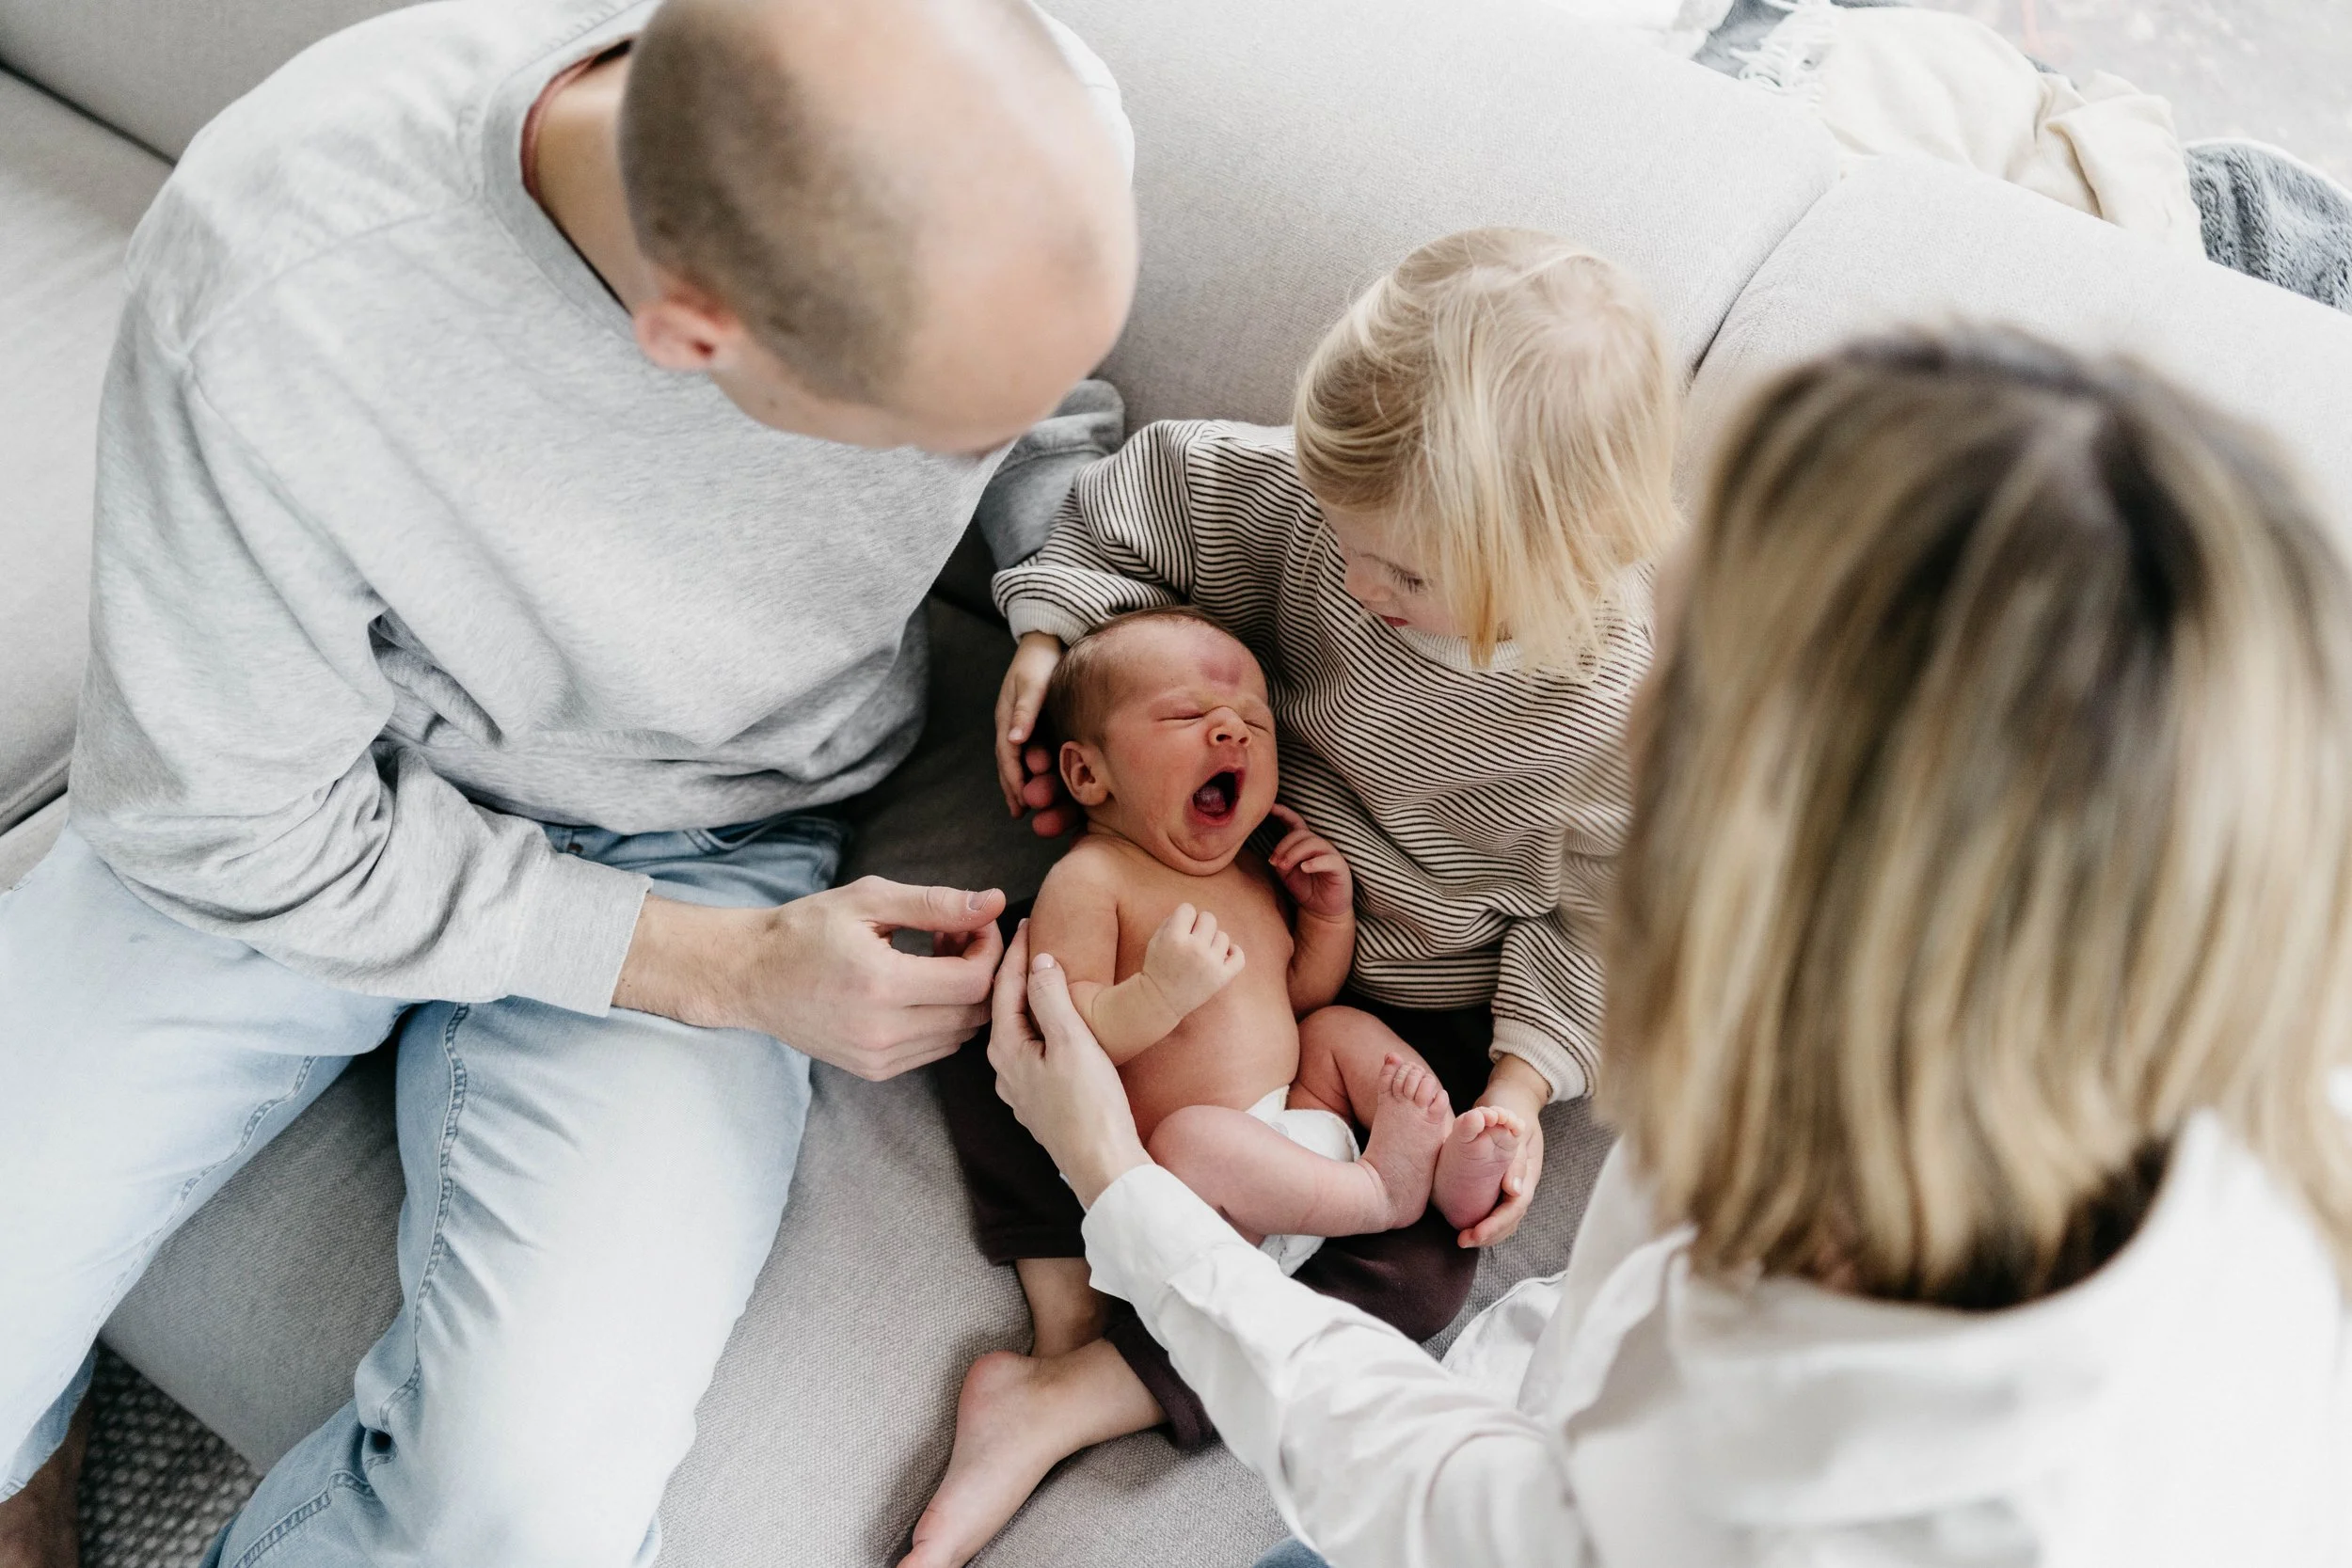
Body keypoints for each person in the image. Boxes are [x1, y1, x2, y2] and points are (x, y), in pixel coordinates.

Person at [0, 0, 1136, 1563]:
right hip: (322, 800)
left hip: (725, 823)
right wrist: (728, 976)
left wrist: (1080, 592)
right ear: (683, 343)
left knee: (520, 1515)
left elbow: (1037, 402)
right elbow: (223, 818)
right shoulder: (280, 273)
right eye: (921, 442)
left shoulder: (1023, 105)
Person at [987, 331, 2352, 1566]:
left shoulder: (1834, 1478)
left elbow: (1487, 1518)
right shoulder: (2042, 1052)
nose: (1632, 728)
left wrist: (1118, 1170)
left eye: (1682, 690)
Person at [914, 228, 1679, 1564]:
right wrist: (1051, 634)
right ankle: (1064, 1313)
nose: (1357, 582)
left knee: (1426, 1255)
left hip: (1403, 1003)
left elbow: (1601, 921)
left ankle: (1072, 1395)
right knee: (1005, 1012)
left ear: (1550, 569)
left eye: (1405, 577)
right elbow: (1133, 512)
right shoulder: (1299, 507)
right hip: (1207, 883)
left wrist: (1512, 1090)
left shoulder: (1607, 716)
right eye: (1344, 534)